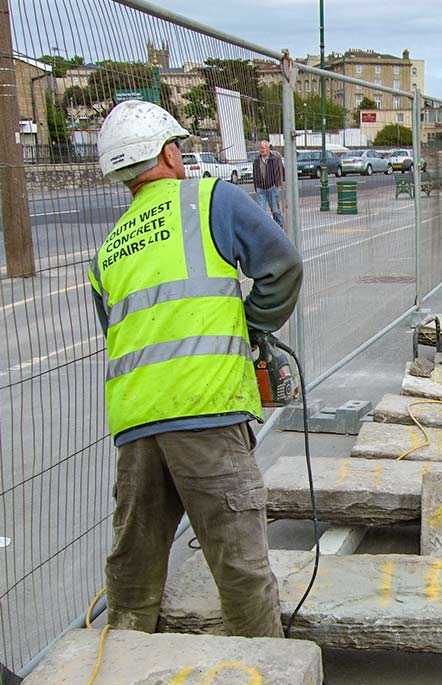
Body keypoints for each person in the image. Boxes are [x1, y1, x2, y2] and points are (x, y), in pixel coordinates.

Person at [90, 100, 302, 637]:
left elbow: (121, 334)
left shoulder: (110, 249)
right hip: (205, 412)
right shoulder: (210, 200)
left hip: (136, 424)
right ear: (167, 152)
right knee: (239, 566)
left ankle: (123, 670)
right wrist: (250, 328)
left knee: (133, 571)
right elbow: (281, 266)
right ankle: (268, 678)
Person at [253, 140, 285, 226]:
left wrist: (277, 183)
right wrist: (256, 186)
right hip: (261, 188)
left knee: (275, 210)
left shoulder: (274, 158)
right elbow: (254, 173)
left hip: (272, 187)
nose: (261, 150)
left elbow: (281, 171)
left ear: (268, 148)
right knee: (261, 211)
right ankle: (265, 230)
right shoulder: (256, 160)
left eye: (263, 148)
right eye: (260, 148)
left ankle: (279, 227)